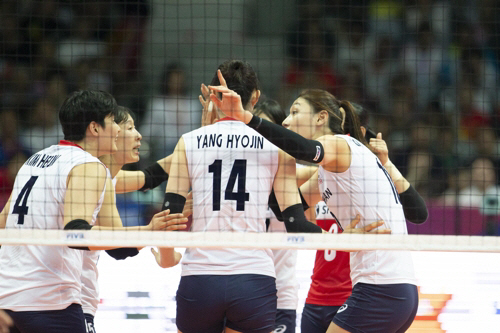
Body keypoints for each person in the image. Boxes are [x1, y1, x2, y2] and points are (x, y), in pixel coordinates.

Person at [210, 83, 419, 333]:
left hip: (383, 286)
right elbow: (285, 212)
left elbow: (306, 149)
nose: (287, 120)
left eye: (296, 112)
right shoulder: (326, 173)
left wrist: (246, 118)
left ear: (321, 117)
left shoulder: (342, 145)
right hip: (386, 288)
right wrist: (278, 165)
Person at [0, 90, 186, 333]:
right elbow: (76, 233)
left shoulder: (35, 160)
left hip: (7, 300)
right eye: (113, 122)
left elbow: (3, 224)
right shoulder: (88, 165)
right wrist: (148, 230)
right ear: (95, 128)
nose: (118, 130)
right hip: (50, 303)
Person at [166, 60, 329, 333]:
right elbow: (295, 224)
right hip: (253, 278)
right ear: (255, 97)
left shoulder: (188, 141)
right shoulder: (278, 148)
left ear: (215, 95)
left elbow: (170, 214)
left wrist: (165, 255)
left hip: (201, 276)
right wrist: (347, 239)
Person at [81, 106, 184, 333]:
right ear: (113, 134)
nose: (138, 135)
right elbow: (117, 248)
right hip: (61, 293)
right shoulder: (92, 175)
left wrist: (201, 141)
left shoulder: (103, 175)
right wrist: (151, 229)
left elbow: (150, 177)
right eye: (130, 128)